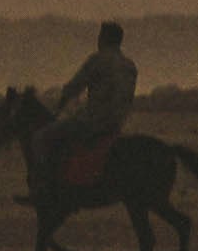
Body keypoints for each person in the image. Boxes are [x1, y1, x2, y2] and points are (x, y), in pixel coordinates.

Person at [29, 20, 138, 192]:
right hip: (118, 123)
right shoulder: (130, 66)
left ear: (103, 38)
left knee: (41, 138)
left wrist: (59, 106)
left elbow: (73, 88)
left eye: (99, 37)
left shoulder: (97, 60)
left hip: (93, 121)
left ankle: (43, 186)